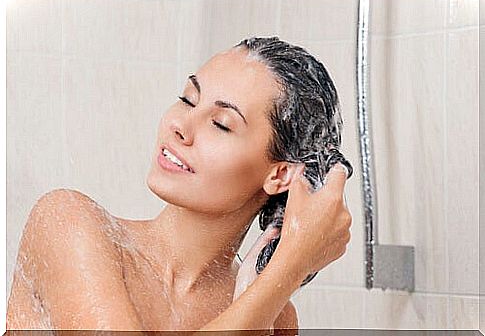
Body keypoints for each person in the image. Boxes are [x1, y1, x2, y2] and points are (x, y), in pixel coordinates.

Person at [6, 36, 353, 332]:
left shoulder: (270, 309)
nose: (181, 125)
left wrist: (267, 288)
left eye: (220, 123)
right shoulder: (67, 224)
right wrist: (290, 267)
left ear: (279, 175)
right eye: (188, 99)